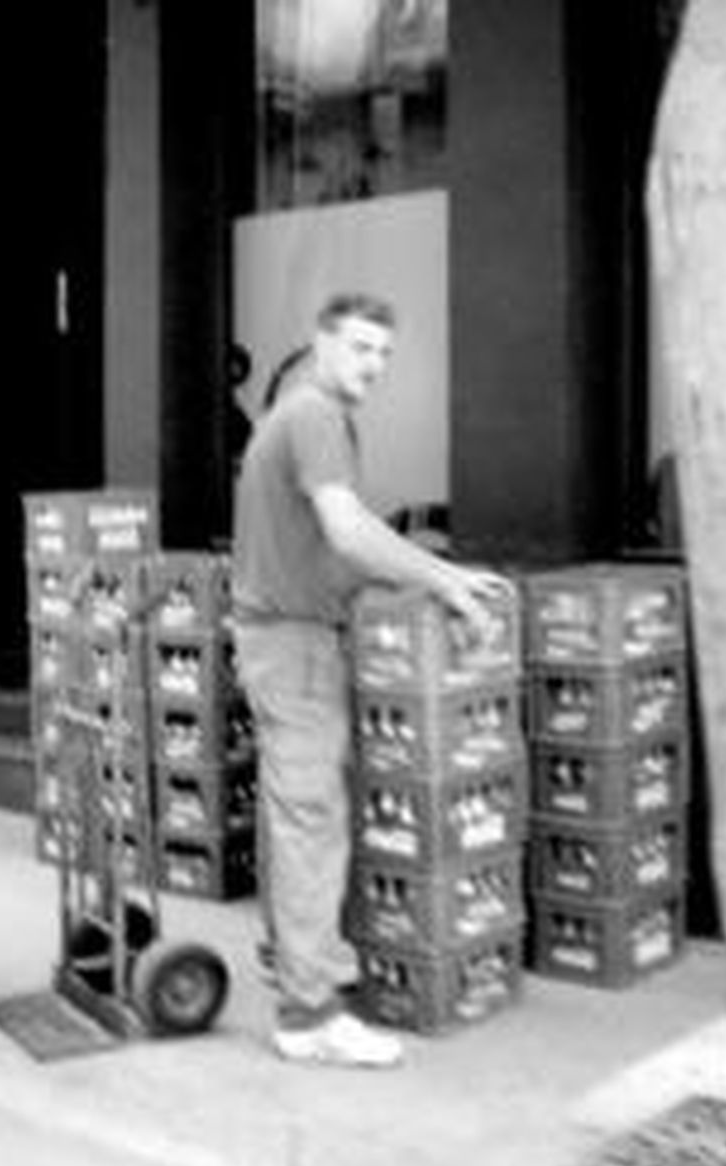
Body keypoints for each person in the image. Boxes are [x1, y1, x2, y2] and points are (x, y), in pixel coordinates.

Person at [231, 293, 509, 1069]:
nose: (374, 366)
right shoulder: (314, 413)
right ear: (320, 342)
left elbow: (337, 542)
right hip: (294, 646)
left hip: (281, 638)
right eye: (360, 348)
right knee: (313, 822)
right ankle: (310, 1013)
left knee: (296, 815)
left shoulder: (291, 415)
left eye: (383, 353)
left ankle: (292, 962)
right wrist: (445, 578)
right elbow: (348, 530)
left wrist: (410, 573)